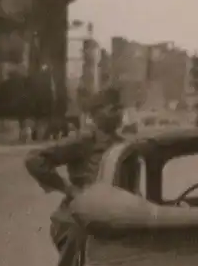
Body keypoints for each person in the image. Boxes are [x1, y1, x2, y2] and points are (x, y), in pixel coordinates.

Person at [25, 86, 125, 252]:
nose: (118, 114)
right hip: (78, 221)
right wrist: (68, 189)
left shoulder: (122, 143)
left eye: (120, 109)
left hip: (111, 218)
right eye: (113, 109)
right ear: (96, 114)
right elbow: (34, 159)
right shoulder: (84, 141)